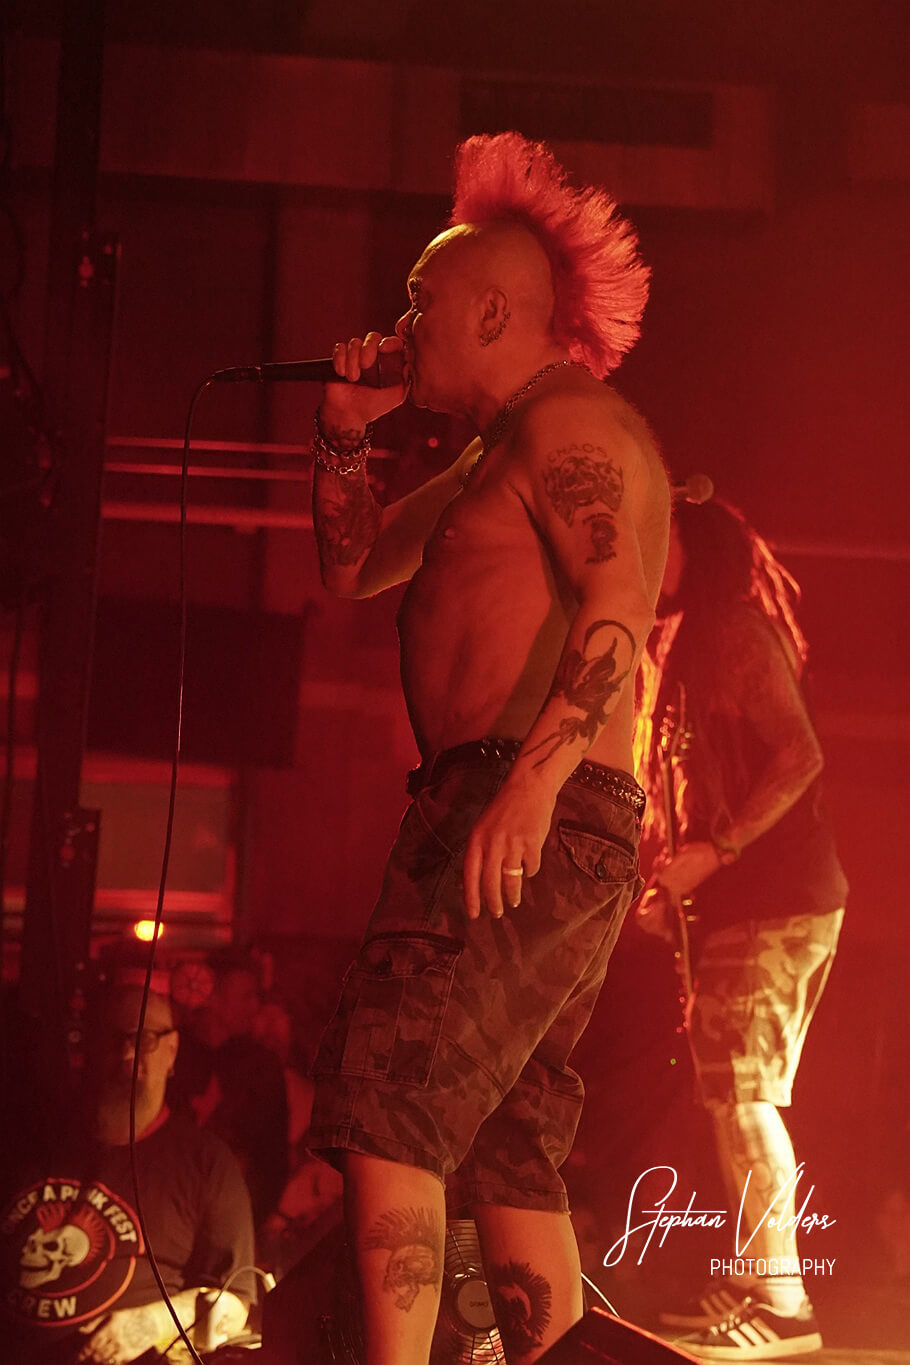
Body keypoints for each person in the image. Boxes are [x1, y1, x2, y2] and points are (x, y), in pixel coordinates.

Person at [305, 130, 667, 1365]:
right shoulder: (490, 453)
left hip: (521, 797)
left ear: (494, 310)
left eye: (421, 299)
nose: (401, 323)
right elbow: (352, 567)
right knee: (510, 1135)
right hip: (523, 801)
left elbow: (616, 605)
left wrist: (530, 786)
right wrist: (344, 430)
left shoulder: (568, 426)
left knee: (388, 1097)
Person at [635, 497, 847, 1358]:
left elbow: (801, 753)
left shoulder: (731, 630)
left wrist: (715, 852)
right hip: (744, 903)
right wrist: (679, 876)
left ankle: (786, 1303)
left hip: (777, 899)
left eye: (665, 541)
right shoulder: (689, 641)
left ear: (702, 548)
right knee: (730, 1096)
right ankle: (761, 1280)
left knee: (747, 1094)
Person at [0, 981, 255, 1363]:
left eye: (145, 1038)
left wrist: (150, 1324)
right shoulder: (27, 1140)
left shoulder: (206, 1164)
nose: (127, 1052)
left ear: (172, 1051)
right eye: (112, 1037)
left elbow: (234, 1303)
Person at [171, 957, 289, 1228]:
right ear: (213, 998)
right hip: (173, 1210)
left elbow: (273, 1158)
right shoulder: (175, 1054)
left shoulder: (262, 1068)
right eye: (246, 997)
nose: (255, 1007)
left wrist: (251, 1223)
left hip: (235, 1218)